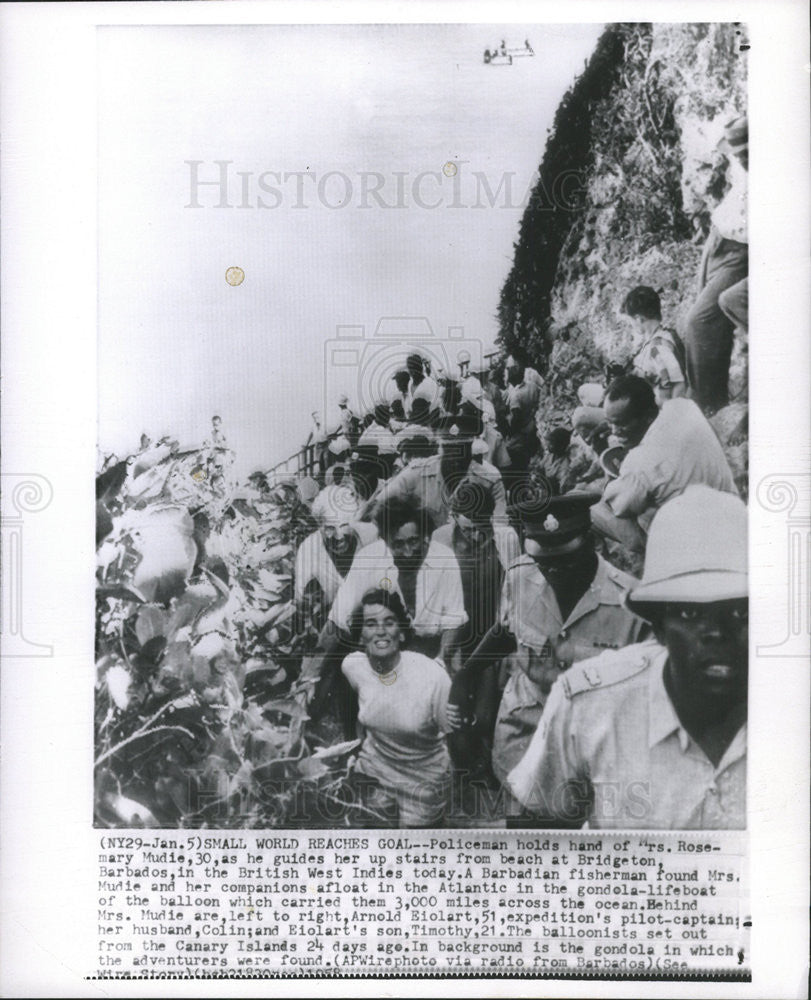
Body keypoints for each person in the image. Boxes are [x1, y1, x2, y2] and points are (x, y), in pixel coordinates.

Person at [507, 485, 747, 830]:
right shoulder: (589, 703)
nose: (718, 633)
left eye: (740, 613)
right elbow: (535, 823)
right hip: (528, 735)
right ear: (660, 627)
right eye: (691, 615)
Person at [449, 491, 646, 821]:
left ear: (594, 545)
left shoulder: (631, 604)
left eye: (568, 562)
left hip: (589, 746)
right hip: (523, 735)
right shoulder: (520, 576)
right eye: (545, 563)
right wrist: (466, 676)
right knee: (522, 830)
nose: (555, 573)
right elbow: (507, 630)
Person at [341, 589, 461, 827]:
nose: (381, 631)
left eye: (389, 622)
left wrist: (448, 790)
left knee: (414, 855)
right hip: (375, 771)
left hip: (423, 781)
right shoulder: (353, 666)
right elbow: (353, 704)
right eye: (371, 624)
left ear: (402, 633)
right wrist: (353, 750)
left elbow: (454, 741)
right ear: (360, 636)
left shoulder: (432, 677)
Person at [591, 375, 737, 554]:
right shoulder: (683, 406)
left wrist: (603, 458)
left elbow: (619, 508)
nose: (614, 431)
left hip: (695, 547)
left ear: (647, 416)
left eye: (621, 423)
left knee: (593, 510)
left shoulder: (639, 463)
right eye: (610, 422)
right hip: (730, 515)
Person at [684, 114, 748, 414]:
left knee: (700, 320)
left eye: (747, 152)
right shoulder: (740, 162)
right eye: (738, 154)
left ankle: (709, 406)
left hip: (740, 251)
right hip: (717, 240)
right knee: (701, 320)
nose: (742, 159)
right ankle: (706, 398)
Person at [373, 410, 507, 528]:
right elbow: (379, 504)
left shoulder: (489, 478)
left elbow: (499, 526)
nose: (455, 458)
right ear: (440, 449)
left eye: (461, 451)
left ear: (471, 449)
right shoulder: (418, 472)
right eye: (449, 450)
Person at [294, 484, 378, 625]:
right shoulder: (308, 551)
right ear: (319, 527)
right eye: (329, 529)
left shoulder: (373, 537)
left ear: (354, 521)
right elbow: (303, 602)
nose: (339, 537)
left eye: (344, 525)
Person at [621, 286, 687, 403]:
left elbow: (678, 386)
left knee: (581, 412)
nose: (631, 325)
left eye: (630, 321)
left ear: (638, 319)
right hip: (642, 400)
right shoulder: (662, 335)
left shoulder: (658, 347)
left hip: (650, 410)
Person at [503, 351, 542, 500]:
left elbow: (516, 419)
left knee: (516, 475)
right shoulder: (532, 386)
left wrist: (509, 431)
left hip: (518, 440)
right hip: (532, 432)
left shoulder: (515, 395)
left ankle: (518, 498)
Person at [405, 354, 442, 418]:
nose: (411, 371)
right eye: (409, 368)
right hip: (412, 420)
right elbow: (409, 406)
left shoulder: (430, 383)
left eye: (413, 368)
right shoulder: (410, 384)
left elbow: (436, 405)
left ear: (419, 368)